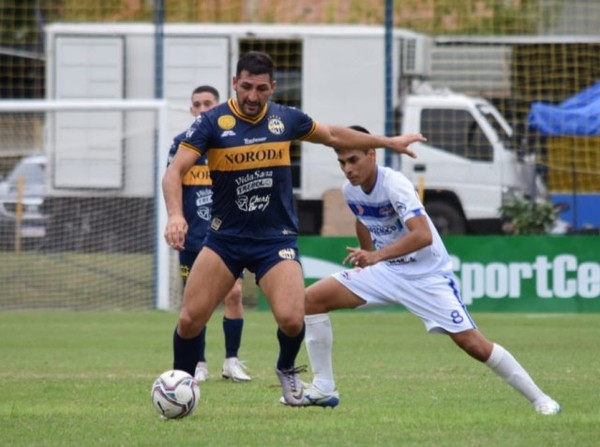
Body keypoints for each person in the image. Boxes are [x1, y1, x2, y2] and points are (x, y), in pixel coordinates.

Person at [162, 52, 425, 405]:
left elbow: (332, 133)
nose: (252, 96)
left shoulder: (286, 120)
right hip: (224, 239)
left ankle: (286, 368)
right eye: (245, 87)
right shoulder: (212, 122)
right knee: (191, 318)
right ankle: (180, 387)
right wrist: (176, 215)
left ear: (272, 87)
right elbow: (173, 172)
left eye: (260, 88)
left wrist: (387, 142)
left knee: (290, 318)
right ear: (234, 83)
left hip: (275, 240)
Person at [292, 125, 561, 415]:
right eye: (342, 163)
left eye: (353, 160)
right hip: (386, 272)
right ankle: (323, 387)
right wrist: (367, 255)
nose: (348, 169)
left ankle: (541, 399)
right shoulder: (350, 190)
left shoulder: (394, 184)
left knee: (474, 345)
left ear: (372, 153)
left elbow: (423, 236)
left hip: (426, 275)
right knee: (311, 300)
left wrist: (376, 256)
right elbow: (363, 218)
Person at [167, 85, 250, 383]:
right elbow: (172, 182)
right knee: (194, 302)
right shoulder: (181, 145)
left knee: (235, 293)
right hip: (193, 237)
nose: (202, 109)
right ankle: (199, 363)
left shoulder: (231, 143)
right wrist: (175, 219)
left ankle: (232, 361)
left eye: (208, 103)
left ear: (218, 106)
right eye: (197, 104)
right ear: (191, 110)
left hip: (227, 236)